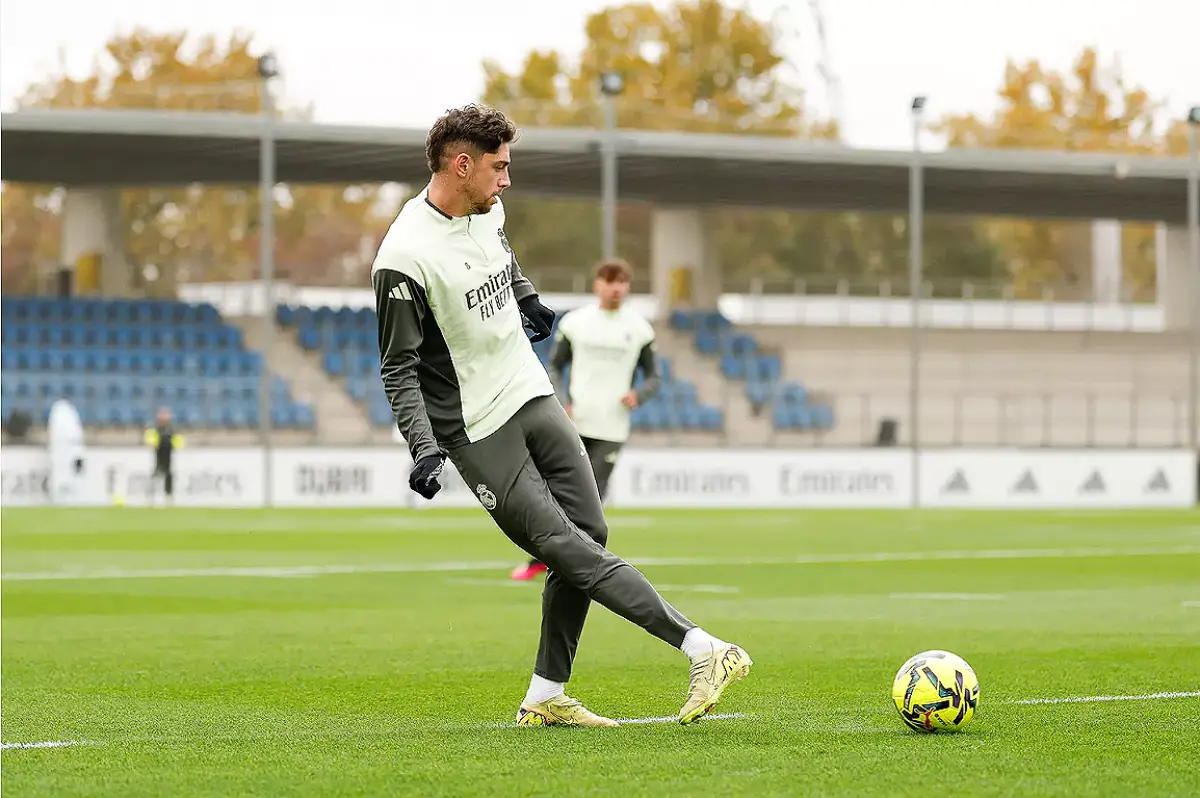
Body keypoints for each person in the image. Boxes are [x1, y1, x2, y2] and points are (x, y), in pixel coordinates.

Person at [371, 103, 752, 727]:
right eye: (499, 167)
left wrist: (528, 299)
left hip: (532, 391)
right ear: (461, 165)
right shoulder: (402, 257)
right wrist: (423, 446)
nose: (507, 180)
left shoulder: (487, 209)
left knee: (590, 535)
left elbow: (502, 255)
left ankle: (546, 696)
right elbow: (398, 365)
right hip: (477, 429)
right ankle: (701, 648)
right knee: (564, 547)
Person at [510, 258, 659, 582]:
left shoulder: (639, 329)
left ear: (628, 287)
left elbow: (654, 378)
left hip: (612, 427)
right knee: (558, 494)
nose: (615, 287)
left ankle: (575, 564)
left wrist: (638, 394)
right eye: (609, 281)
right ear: (597, 285)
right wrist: (562, 399)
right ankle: (541, 558)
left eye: (621, 282)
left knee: (591, 500)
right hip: (573, 423)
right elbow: (554, 366)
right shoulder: (576, 323)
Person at [143, 407, 183, 507]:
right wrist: (153, 444)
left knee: (168, 475)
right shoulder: (155, 428)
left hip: (168, 456)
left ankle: (168, 497)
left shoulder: (171, 429)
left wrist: (175, 445)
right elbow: (150, 439)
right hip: (158, 456)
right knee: (156, 475)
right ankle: (151, 497)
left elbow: (178, 441)